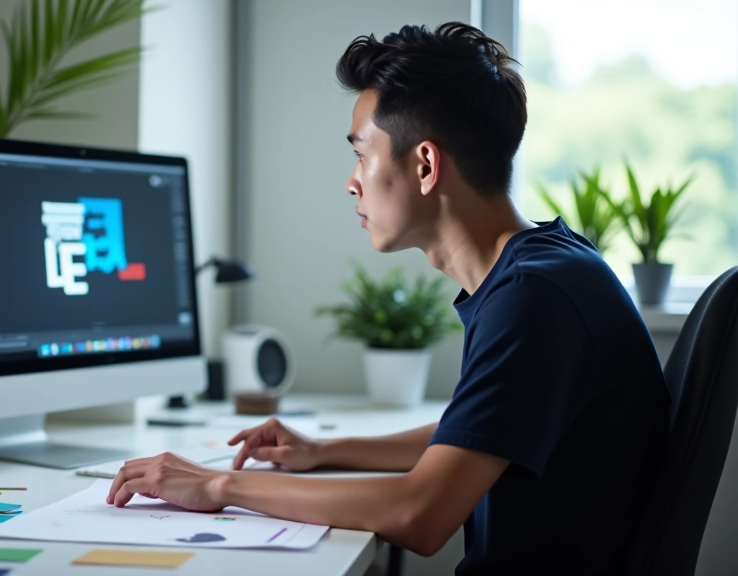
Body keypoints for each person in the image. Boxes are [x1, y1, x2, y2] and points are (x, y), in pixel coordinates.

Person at [107, 22, 669, 575]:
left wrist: (216, 484)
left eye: (361, 154)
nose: (351, 182)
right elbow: (479, 434)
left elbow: (419, 514)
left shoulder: (534, 296)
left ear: (424, 165)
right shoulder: (547, 263)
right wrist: (325, 452)